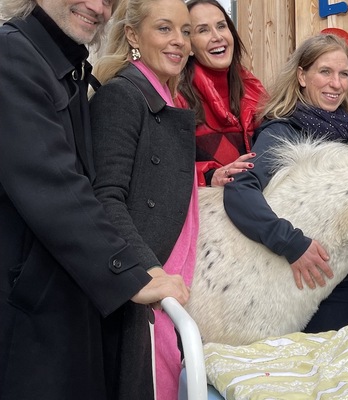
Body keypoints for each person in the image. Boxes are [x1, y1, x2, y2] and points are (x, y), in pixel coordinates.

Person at [0, 0, 189, 398]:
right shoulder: (12, 55)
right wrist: (132, 273)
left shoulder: (67, 68)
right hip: (29, 318)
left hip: (65, 305)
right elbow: (55, 185)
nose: (95, 6)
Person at [224, 34, 348, 333]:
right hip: (327, 288)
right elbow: (240, 190)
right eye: (325, 72)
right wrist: (292, 244)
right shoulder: (283, 132)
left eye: (343, 74)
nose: (336, 83)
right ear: (302, 76)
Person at [91, 0, 195, 398]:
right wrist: (147, 272)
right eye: (165, 29)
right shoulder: (121, 96)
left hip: (164, 283)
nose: (180, 42)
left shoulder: (166, 100)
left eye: (185, 32)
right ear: (133, 35)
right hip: (140, 291)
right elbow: (106, 198)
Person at [177, 0, 267, 187]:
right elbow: (163, 167)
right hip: (207, 210)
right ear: (189, 45)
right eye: (203, 30)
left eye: (221, 26)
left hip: (257, 200)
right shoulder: (176, 97)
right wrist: (209, 176)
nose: (217, 36)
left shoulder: (254, 89)